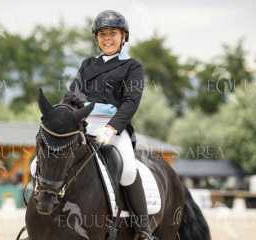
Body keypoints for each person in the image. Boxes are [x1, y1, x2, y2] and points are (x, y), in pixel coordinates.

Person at [66, 10, 154, 240]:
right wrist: (62, 116)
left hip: (113, 128)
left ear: (123, 36)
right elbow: (72, 96)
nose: (107, 38)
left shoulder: (132, 66)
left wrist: (112, 127)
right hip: (84, 127)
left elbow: (131, 101)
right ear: (96, 38)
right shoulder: (87, 65)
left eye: (112, 33)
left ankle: (143, 228)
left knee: (127, 170)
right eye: (102, 34)